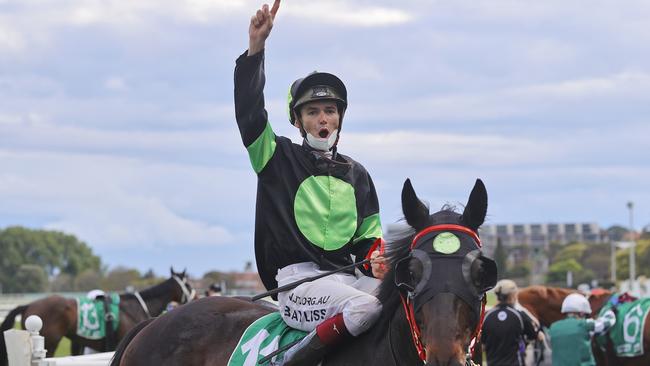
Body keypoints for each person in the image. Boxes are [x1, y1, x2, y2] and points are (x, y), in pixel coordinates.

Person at [234, 1, 387, 364]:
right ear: (298, 121)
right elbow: (250, 113)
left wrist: (376, 261)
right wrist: (256, 50)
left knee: (403, 299)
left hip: (346, 281)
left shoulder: (359, 175)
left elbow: (368, 242)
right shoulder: (276, 156)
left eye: (330, 111)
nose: (323, 119)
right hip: (296, 285)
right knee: (365, 309)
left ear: (340, 118)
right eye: (313, 112)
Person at [481, 279, 538, 366]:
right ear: (512, 296)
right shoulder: (520, 315)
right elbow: (532, 336)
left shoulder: (487, 316)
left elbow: (483, 345)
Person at [549, 293, 616, 366]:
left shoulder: (553, 327)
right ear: (581, 313)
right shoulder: (585, 324)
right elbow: (608, 322)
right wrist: (609, 308)